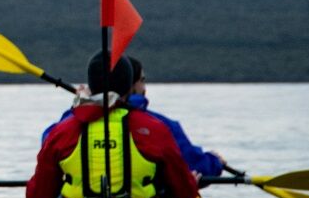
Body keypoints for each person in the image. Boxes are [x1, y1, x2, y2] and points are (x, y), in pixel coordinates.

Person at [27, 52, 202, 198]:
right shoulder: (154, 128)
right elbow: (186, 196)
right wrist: (191, 184)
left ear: (91, 86)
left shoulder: (62, 131)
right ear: (129, 87)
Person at [39, 55, 229, 180]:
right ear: (129, 85)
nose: (145, 88)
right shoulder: (158, 126)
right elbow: (192, 163)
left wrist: (78, 106)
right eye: (142, 80)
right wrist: (214, 162)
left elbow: (49, 141)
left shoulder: (68, 125)